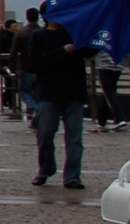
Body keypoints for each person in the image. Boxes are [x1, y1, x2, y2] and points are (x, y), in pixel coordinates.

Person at [26, 15, 93, 189]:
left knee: (74, 137)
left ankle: (72, 176)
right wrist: (63, 51)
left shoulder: (74, 33)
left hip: (74, 92)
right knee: (46, 133)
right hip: (49, 93)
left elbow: (89, 51)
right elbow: (37, 62)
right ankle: (45, 169)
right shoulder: (39, 36)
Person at [0, 17, 21, 114]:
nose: (16, 28)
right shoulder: (5, 38)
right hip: (7, 64)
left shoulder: (15, 36)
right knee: (9, 83)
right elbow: (0, 52)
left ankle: (10, 101)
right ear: (9, 27)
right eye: (14, 26)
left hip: (13, 64)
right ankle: (9, 101)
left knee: (13, 84)